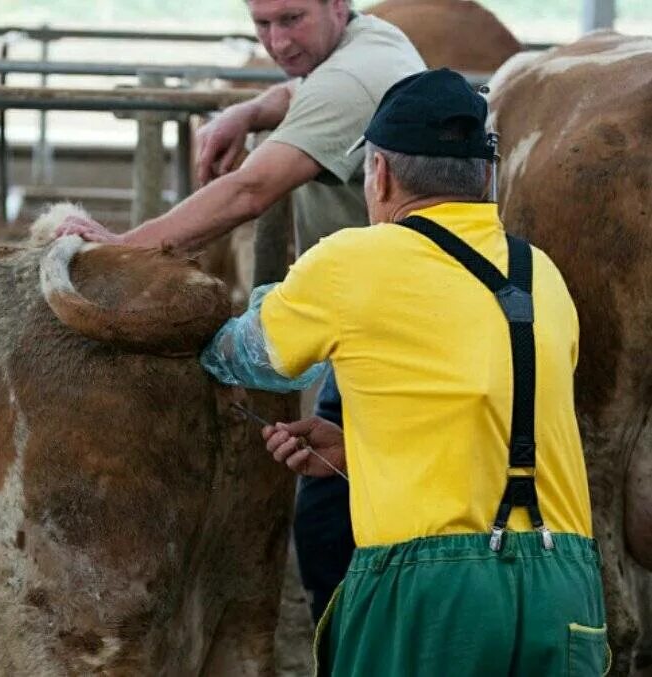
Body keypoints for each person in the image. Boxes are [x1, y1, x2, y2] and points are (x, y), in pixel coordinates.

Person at [199, 68, 606, 675]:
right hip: (566, 587)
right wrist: (363, 450)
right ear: (487, 176)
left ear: (379, 173)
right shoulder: (539, 272)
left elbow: (245, 357)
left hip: (433, 596)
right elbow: (500, 417)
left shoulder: (352, 260)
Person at [58, 0, 425, 623]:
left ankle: (355, 645)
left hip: (389, 331)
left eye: (292, 19)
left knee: (331, 521)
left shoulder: (350, 79)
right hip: (394, 309)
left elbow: (251, 190)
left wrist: (125, 248)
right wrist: (247, 111)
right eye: (262, 23)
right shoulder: (367, 43)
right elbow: (302, 93)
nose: (277, 41)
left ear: (337, 5)